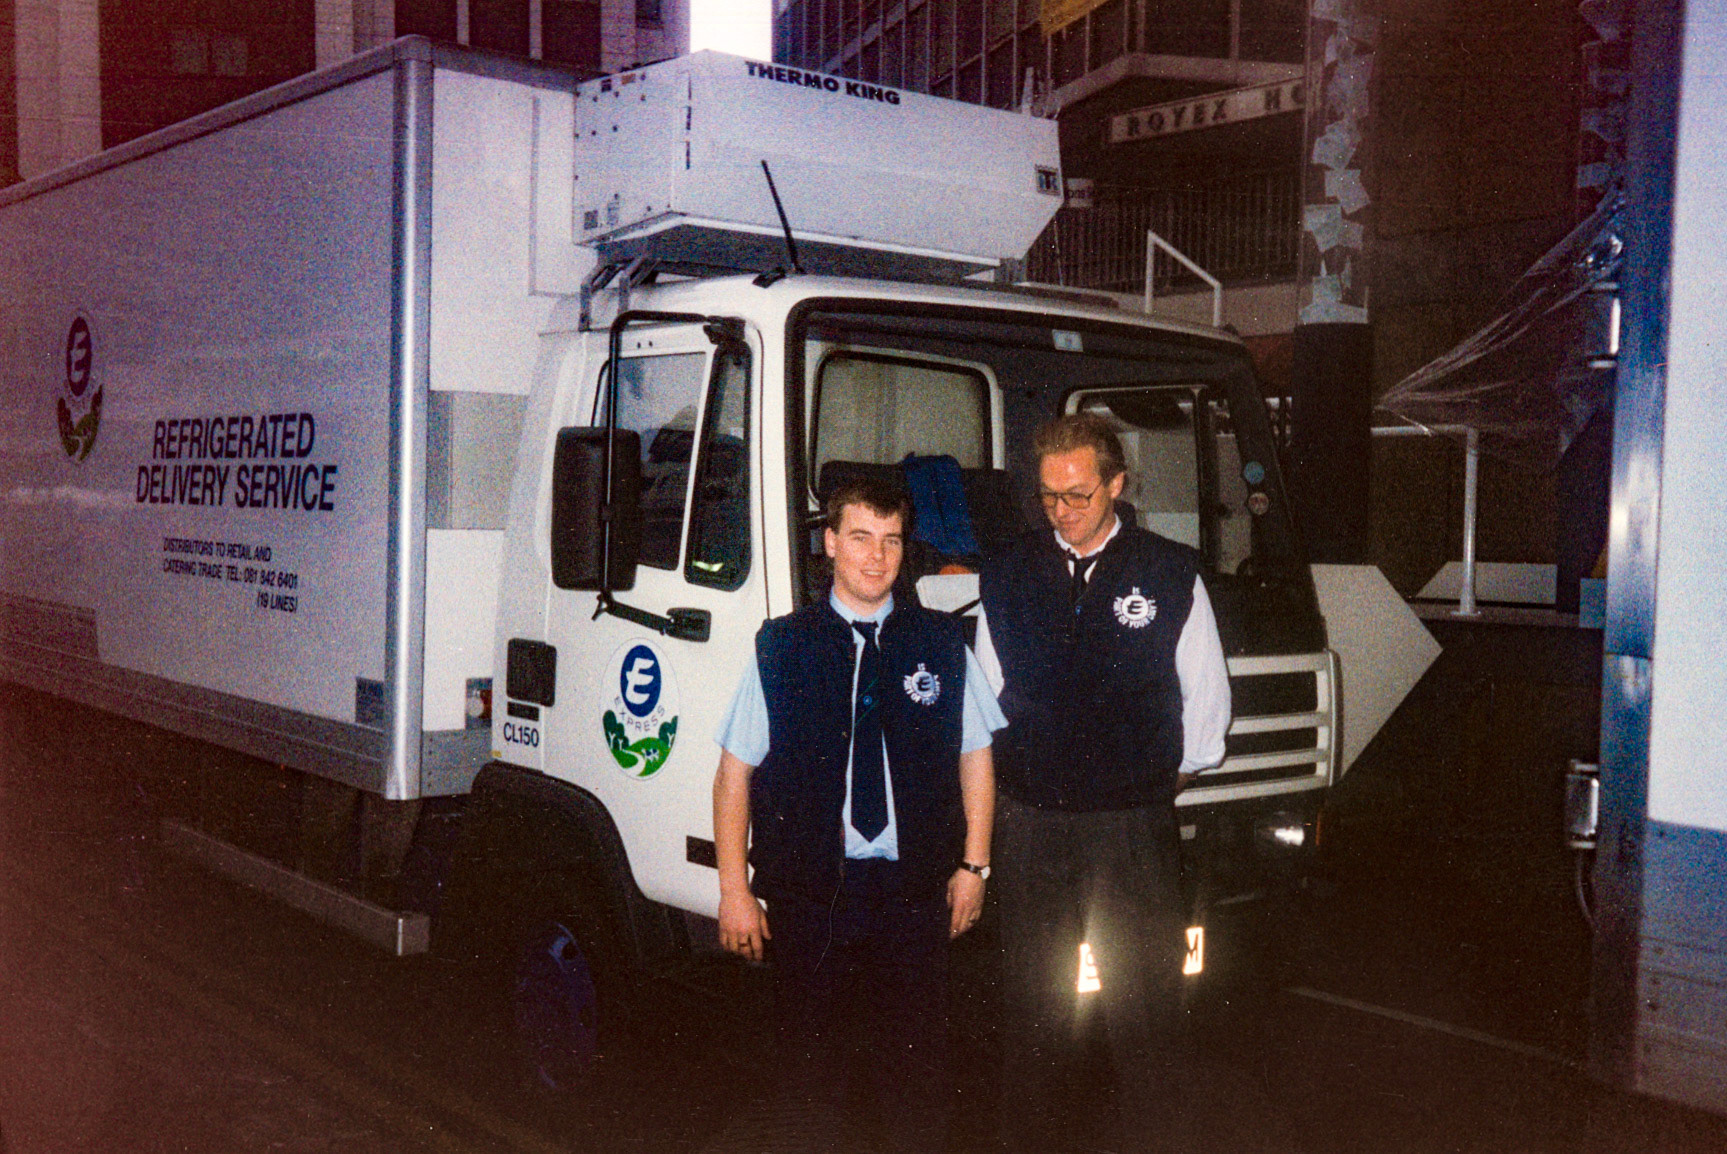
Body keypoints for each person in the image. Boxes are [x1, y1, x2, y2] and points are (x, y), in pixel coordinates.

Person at [712, 475, 1003, 1152]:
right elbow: (733, 776)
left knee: (916, 1070)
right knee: (812, 1072)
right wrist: (733, 890)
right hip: (813, 894)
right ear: (831, 542)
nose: (877, 557)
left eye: (891, 541)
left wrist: (974, 867)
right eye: (862, 538)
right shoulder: (781, 647)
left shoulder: (940, 642)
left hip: (913, 893)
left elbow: (976, 758)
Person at [977, 412, 1231, 1154]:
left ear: (1116, 485)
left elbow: (1206, 697)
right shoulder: (1008, 570)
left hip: (1128, 825)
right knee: (1034, 1008)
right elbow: (986, 694)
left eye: (1077, 495)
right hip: (1030, 820)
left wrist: (1152, 781)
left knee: (1145, 1008)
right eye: (1048, 496)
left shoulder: (1168, 571)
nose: (1060, 511)